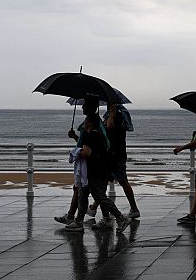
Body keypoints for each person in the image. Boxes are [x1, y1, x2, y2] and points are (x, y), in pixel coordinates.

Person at [65, 112, 131, 233]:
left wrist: (75, 153)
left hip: (94, 171)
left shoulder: (91, 135)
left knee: (100, 197)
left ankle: (121, 218)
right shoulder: (100, 134)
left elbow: (87, 153)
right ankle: (78, 222)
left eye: (85, 122)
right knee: (83, 194)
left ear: (89, 123)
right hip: (100, 169)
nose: (84, 124)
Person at [89, 102, 141, 230]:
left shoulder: (118, 115)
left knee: (123, 181)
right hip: (110, 156)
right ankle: (94, 208)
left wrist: (112, 112)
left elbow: (111, 126)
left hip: (117, 156)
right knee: (104, 181)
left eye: (109, 103)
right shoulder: (109, 115)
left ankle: (133, 209)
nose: (107, 104)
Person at [54, 96, 101, 226]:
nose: (82, 107)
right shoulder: (91, 123)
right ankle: (72, 216)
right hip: (89, 163)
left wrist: (79, 152)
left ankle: (114, 218)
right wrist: (75, 136)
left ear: (92, 107)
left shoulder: (94, 125)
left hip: (90, 164)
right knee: (80, 189)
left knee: (95, 194)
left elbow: (89, 147)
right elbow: (84, 144)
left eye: (85, 105)